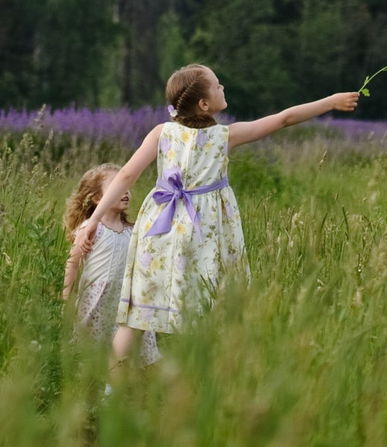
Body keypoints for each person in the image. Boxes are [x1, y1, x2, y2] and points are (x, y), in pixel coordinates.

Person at [70, 63, 359, 366]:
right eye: (218, 85)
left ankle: (111, 391)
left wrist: (93, 220)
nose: (223, 88)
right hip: (204, 232)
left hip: (160, 229)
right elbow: (284, 119)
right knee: (210, 307)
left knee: (137, 316)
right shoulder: (224, 136)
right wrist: (330, 102)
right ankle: (205, 381)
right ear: (204, 104)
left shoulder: (162, 133)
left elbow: (126, 175)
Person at [60, 162, 145, 351]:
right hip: (96, 299)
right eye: (118, 187)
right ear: (98, 198)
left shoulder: (132, 230)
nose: (126, 192)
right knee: (91, 347)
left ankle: (116, 378)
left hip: (122, 300)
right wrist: (67, 299)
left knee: (121, 347)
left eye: (127, 188)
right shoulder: (90, 228)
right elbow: (73, 263)